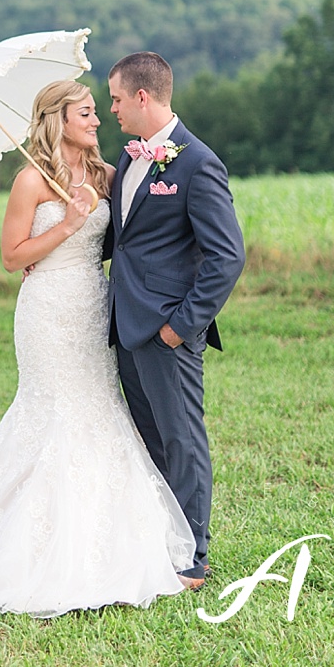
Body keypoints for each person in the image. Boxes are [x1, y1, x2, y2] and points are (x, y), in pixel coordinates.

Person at [0, 79, 195, 616]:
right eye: (85, 113)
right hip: (47, 309)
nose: (97, 121)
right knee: (51, 411)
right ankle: (20, 540)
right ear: (57, 118)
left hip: (95, 306)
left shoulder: (107, 175)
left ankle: (110, 536)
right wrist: (67, 225)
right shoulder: (31, 180)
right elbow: (11, 257)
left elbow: (135, 236)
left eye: (99, 111)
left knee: (100, 407)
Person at [106, 50, 246, 590]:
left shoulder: (196, 163)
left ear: (143, 96)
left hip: (166, 330)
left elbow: (227, 256)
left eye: (116, 98)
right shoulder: (128, 158)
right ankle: (157, 540)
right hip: (123, 324)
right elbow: (124, 237)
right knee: (148, 440)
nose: (111, 108)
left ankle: (193, 557)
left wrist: (180, 327)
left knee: (182, 438)